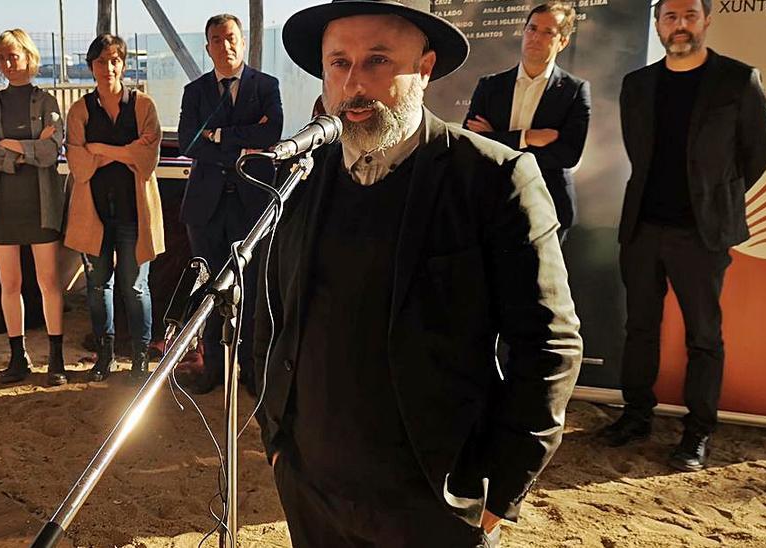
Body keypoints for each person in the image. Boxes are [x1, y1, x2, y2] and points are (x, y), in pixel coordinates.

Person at [255, 1, 583, 545]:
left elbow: (550, 343)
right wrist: (276, 437)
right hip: (311, 487)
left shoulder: (493, 179)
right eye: (338, 63)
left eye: (378, 61)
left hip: (433, 500)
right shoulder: (301, 181)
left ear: (425, 68)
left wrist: (500, 490)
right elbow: (270, 314)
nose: (354, 83)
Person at [597, 0, 766, 472]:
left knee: (704, 337)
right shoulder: (638, 84)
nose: (680, 26)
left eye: (689, 16)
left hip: (702, 233)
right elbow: (640, 150)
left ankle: (697, 432)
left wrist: (712, 198)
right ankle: (636, 416)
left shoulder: (738, 80)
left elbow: (758, 154)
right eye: (670, 18)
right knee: (639, 328)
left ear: (706, 21)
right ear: (658, 25)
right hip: (643, 227)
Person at [176, 13, 284, 395]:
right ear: (208, 47)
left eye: (231, 37)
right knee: (210, 290)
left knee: (252, 290)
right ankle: (213, 371)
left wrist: (219, 135)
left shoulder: (267, 85)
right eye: (217, 39)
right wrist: (240, 145)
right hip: (205, 208)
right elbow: (189, 141)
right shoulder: (195, 91)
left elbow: (273, 132)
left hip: (252, 203)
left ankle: (252, 372)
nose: (226, 45)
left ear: (243, 40)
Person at [64, 34, 164, 382]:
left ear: (122, 63)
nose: (108, 67)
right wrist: (125, 151)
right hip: (94, 213)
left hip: (134, 213)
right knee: (97, 287)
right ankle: (104, 358)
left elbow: (147, 159)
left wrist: (100, 150)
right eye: (100, 61)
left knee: (135, 288)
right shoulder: (79, 110)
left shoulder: (143, 106)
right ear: (91, 67)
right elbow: (79, 165)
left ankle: (140, 359)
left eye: (114, 60)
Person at [0, 29, 69, 386]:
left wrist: (13, 146)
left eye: (14, 55)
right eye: (2, 57)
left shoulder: (47, 102)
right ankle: (18, 356)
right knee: (8, 284)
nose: (8, 63)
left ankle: (55, 359)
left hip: (41, 206)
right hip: (2, 208)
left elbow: (52, 151)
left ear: (29, 57)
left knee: (48, 282)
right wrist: (29, 148)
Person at [464, 1, 590, 242]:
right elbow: (472, 143)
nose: (536, 37)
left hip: (549, 208)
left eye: (548, 32)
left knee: (538, 281)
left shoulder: (575, 91)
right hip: (492, 202)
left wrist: (497, 138)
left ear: (562, 42)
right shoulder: (490, 86)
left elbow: (567, 155)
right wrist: (528, 137)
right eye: (532, 29)